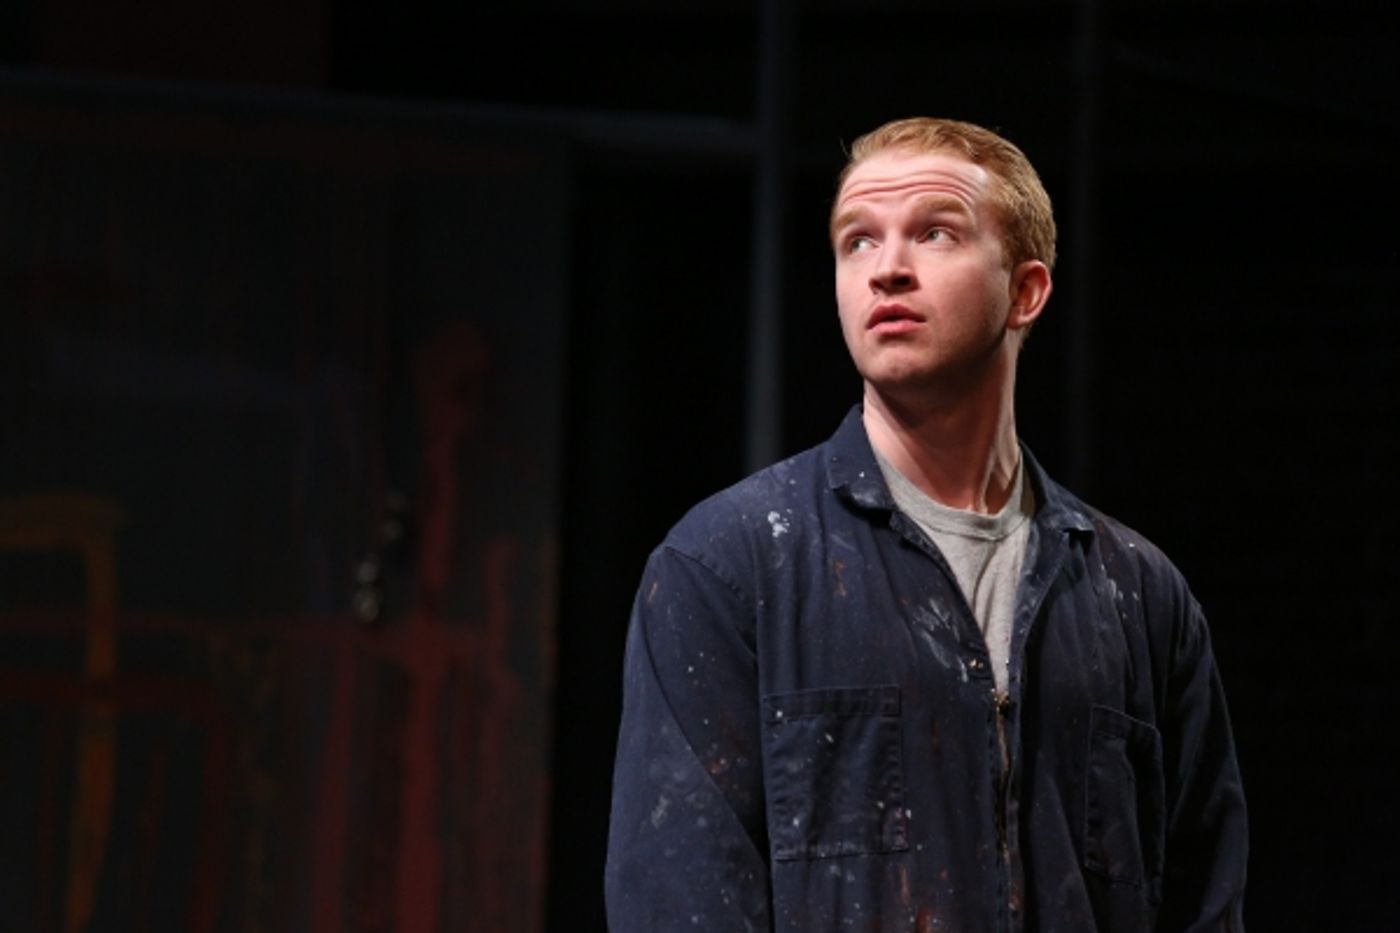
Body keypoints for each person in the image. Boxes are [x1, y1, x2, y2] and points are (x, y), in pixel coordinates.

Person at [604, 117, 1248, 932]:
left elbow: (1204, 899)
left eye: (934, 233)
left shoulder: (1138, 594)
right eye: (857, 242)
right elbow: (678, 899)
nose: (888, 270)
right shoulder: (730, 563)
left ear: (1025, 291)